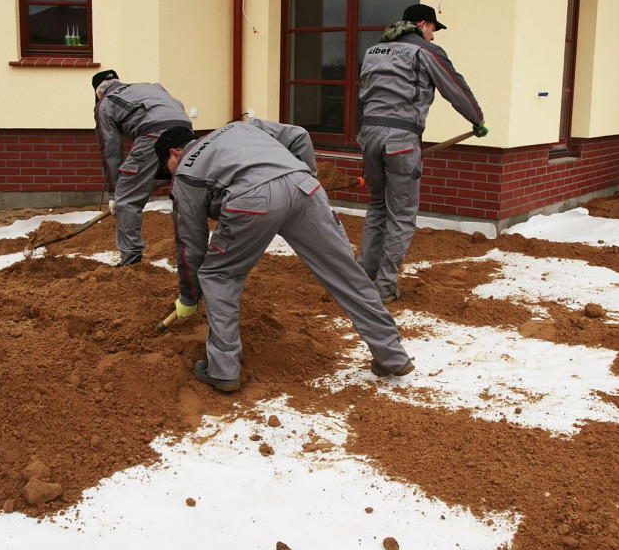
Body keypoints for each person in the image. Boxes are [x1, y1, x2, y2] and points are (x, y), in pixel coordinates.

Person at [153, 119, 414, 392]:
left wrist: (189, 295)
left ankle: (223, 370)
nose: (170, 175)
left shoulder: (184, 173)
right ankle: (392, 355)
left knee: (218, 275)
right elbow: (299, 134)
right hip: (305, 188)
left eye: (166, 170)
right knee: (346, 273)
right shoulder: (238, 127)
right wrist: (308, 176)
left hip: (251, 201)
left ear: (175, 153)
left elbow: (190, 244)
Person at [357, 3, 489, 303]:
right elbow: (455, 87)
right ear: (422, 24)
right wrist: (477, 120)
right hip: (401, 139)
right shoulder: (424, 52)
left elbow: (366, 94)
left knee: (378, 205)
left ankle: (363, 274)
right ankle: (385, 287)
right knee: (402, 215)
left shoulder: (373, 52)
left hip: (369, 136)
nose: (433, 36)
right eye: (433, 29)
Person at [92, 70, 193, 267]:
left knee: (127, 198)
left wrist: (114, 193)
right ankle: (192, 252)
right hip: (185, 132)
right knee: (187, 191)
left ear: (98, 93)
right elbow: (175, 105)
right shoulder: (150, 87)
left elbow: (110, 149)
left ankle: (131, 260)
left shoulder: (105, 103)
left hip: (154, 133)